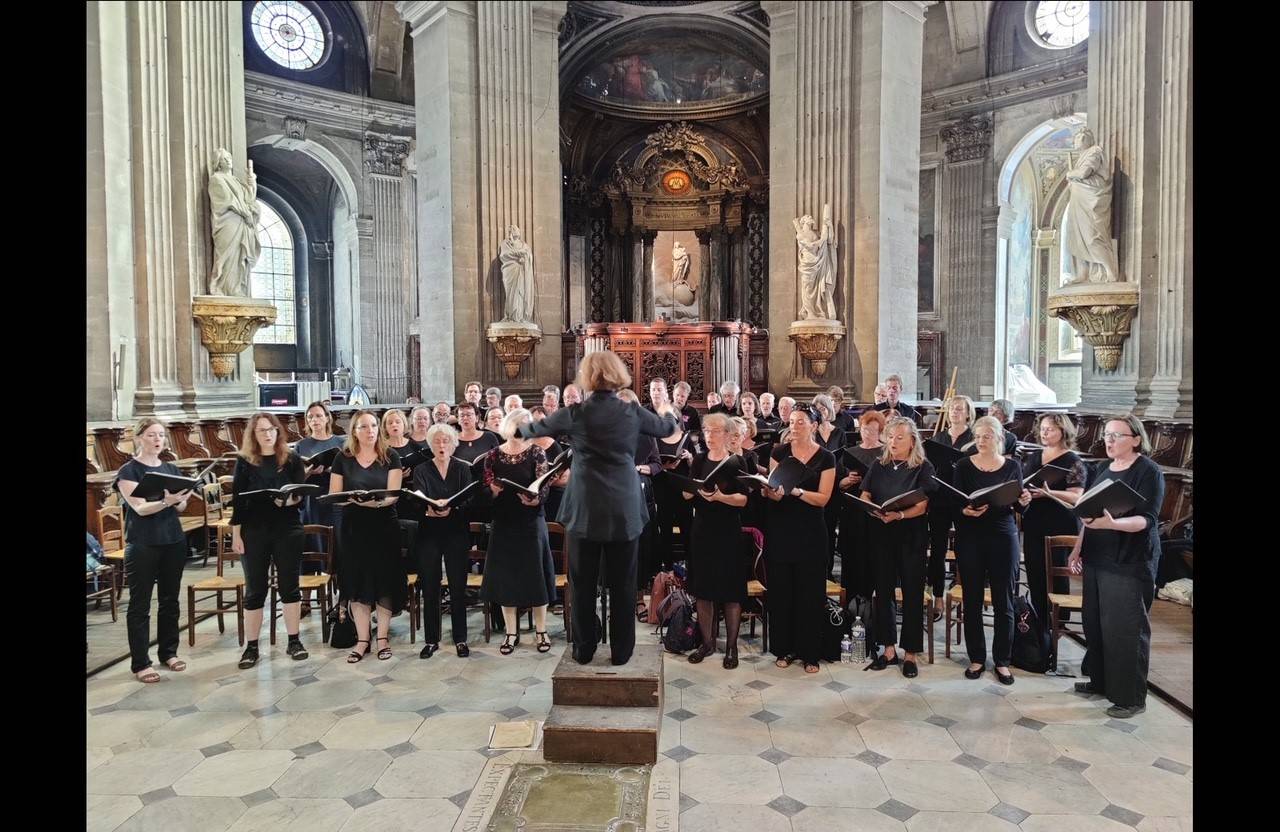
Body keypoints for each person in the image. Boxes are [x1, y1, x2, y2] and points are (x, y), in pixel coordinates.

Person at [521, 350, 679, 665]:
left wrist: (519, 424)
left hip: (585, 508)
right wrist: (667, 409)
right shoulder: (631, 411)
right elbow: (666, 429)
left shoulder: (576, 412)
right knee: (623, 583)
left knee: (582, 583)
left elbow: (531, 432)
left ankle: (584, 648)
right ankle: (622, 652)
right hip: (623, 507)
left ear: (588, 377)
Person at [1069, 415, 1165, 718]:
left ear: (1136, 439)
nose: (1109, 440)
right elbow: (1088, 513)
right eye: (1107, 435)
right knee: (1095, 623)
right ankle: (1100, 682)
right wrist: (1078, 546)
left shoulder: (1148, 471)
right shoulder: (1101, 468)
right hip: (1098, 555)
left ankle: (1130, 698)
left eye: (1117, 435)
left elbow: (1148, 520)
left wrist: (1115, 523)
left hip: (1130, 559)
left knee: (1126, 629)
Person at [115, 418, 194, 683]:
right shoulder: (128, 471)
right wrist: (165, 501)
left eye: (160, 435)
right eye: (151, 435)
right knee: (140, 604)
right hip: (143, 542)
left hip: (173, 540)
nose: (157, 439)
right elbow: (139, 507)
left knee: (170, 600)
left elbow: (180, 508)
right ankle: (141, 663)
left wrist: (180, 499)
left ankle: (168, 653)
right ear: (138, 438)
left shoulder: (170, 467)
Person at [230, 412, 309, 668]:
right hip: (254, 530)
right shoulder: (244, 462)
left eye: (271, 429)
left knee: (289, 585)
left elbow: (301, 495)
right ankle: (251, 647)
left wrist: (287, 499)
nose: (267, 434)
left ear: (278, 431)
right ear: (253, 435)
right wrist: (235, 535)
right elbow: (238, 501)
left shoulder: (292, 458)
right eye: (261, 430)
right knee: (255, 589)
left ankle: (294, 640)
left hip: (287, 527)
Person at [762, 405, 836, 673]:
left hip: (811, 531)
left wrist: (797, 492)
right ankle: (784, 648)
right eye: (791, 422)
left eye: (801, 422)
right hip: (782, 527)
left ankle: (810, 653)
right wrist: (771, 491)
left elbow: (824, 498)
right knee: (782, 591)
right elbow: (773, 491)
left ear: (814, 426)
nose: (794, 427)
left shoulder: (826, 458)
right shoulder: (778, 452)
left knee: (810, 593)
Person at [862, 417, 936, 677]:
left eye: (899, 438)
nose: (893, 442)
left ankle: (912, 654)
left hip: (911, 536)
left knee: (913, 592)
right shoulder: (879, 464)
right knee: (883, 592)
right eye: (890, 436)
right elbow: (866, 492)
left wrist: (900, 516)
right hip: (882, 533)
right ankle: (889, 649)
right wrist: (870, 505)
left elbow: (923, 504)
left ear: (912, 440)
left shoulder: (922, 467)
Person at [953, 416, 1023, 685]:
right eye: (978, 437)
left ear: (999, 438)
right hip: (971, 535)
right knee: (972, 598)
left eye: (987, 437)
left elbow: (1019, 505)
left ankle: (1003, 661)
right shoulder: (962, 466)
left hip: (1003, 534)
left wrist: (1023, 501)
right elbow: (955, 501)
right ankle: (977, 658)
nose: (981, 441)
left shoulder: (1013, 466)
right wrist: (964, 509)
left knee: (1003, 599)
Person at [330, 411, 404, 662]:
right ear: (354, 431)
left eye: (374, 425)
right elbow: (334, 494)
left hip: (384, 525)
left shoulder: (390, 456)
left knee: (384, 581)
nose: (370, 430)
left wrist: (374, 503)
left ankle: (382, 638)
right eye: (364, 426)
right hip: (353, 527)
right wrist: (354, 500)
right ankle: (363, 640)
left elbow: (394, 493)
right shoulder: (343, 458)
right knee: (356, 583)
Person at [482, 409, 557, 655]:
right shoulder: (492, 456)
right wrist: (492, 491)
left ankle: (541, 631)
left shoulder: (537, 452)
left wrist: (536, 499)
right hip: (504, 521)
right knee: (507, 577)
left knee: (536, 575)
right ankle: (510, 633)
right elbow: (485, 491)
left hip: (530, 520)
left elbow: (543, 486)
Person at [679, 413, 749, 668]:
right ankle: (707, 643)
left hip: (728, 530)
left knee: (730, 591)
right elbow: (688, 495)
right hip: (703, 529)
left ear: (728, 434)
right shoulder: (698, 460)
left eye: (716, 431)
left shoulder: (736, 461)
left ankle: (731, 647)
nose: (710, 436)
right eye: (706, 431)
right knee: (703, 589)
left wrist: (720, 497)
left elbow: (743, 499)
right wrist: (689, 489)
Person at [1017, 413, 1088, 652]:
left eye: (1051, 429)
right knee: (1035, 569)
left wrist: (1050, 493)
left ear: (1063, 432)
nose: (1046, 433)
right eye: (1044, 429)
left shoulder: (1072, 460)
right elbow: (1025, 484)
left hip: (1060, 520)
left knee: (1056, 572)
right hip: (1035, 518)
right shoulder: (1034, 456)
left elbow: (1077, 496)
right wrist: (1025, 494)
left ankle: (1059, 622)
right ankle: (1039, 618)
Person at [411, 423, 475, 659]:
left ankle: (460, 638)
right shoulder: (421, 470)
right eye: (436, 441)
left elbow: (469, 501)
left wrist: (451, 509)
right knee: (430, 585)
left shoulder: (462, 469)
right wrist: (429, 509)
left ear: (453, 444)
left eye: (445, 441)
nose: (441, 445)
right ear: (430, 444)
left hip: (456, 531)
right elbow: (416, 499)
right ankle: (431, 640)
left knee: (458, 585)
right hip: (429, 532)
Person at [927, 395, 977, 602]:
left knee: (966, 548)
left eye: (959, 409)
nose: (955, 412)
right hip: (940, 498)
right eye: (952, 409)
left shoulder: (974, 439)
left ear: (968, 413)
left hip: (963, 498)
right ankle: (937, 594)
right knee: (937, 548)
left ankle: (966, 594)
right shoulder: (939, 438)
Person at [619, 389, 662, 619]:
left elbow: (657, 464)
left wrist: (639, 469)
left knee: (640, 549)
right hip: (616, 498)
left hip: (641, 493)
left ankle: (638, 599)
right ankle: (620, 599)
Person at [837, 410, 886, 601]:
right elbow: (838, 484)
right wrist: (847, 480)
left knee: (875, 559)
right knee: (853, 557)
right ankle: (852, 607)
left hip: (877, 510)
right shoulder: (850, 452)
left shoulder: (886, 452)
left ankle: (875, 607)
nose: (868, 434)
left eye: (873, 430)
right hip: (853, 512)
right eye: (865, 429)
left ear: (880, 431)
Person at [296, 401, 345, 562]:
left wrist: (335, 471)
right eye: (310, 417)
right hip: (312, 499)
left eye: (318, 416)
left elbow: (350, 471)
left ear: (327, 418)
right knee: (314, 544)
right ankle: (313, 579)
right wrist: (307, 473)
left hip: (334, 496)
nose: (314, 420)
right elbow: (294, 480)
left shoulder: (340, 442)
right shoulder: (301, 445)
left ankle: (336, 579)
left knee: (336, 544)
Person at [812, 394, 847, 579]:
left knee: (830, 528)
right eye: (817, 410)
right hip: (814, 485)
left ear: (830, 410)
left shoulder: (839, 432)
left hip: (834, 484)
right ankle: (815, 569)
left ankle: (828, 571)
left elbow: (843, 460)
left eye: (823, 409)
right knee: (815, 528)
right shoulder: (812, 432)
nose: (821, 412)